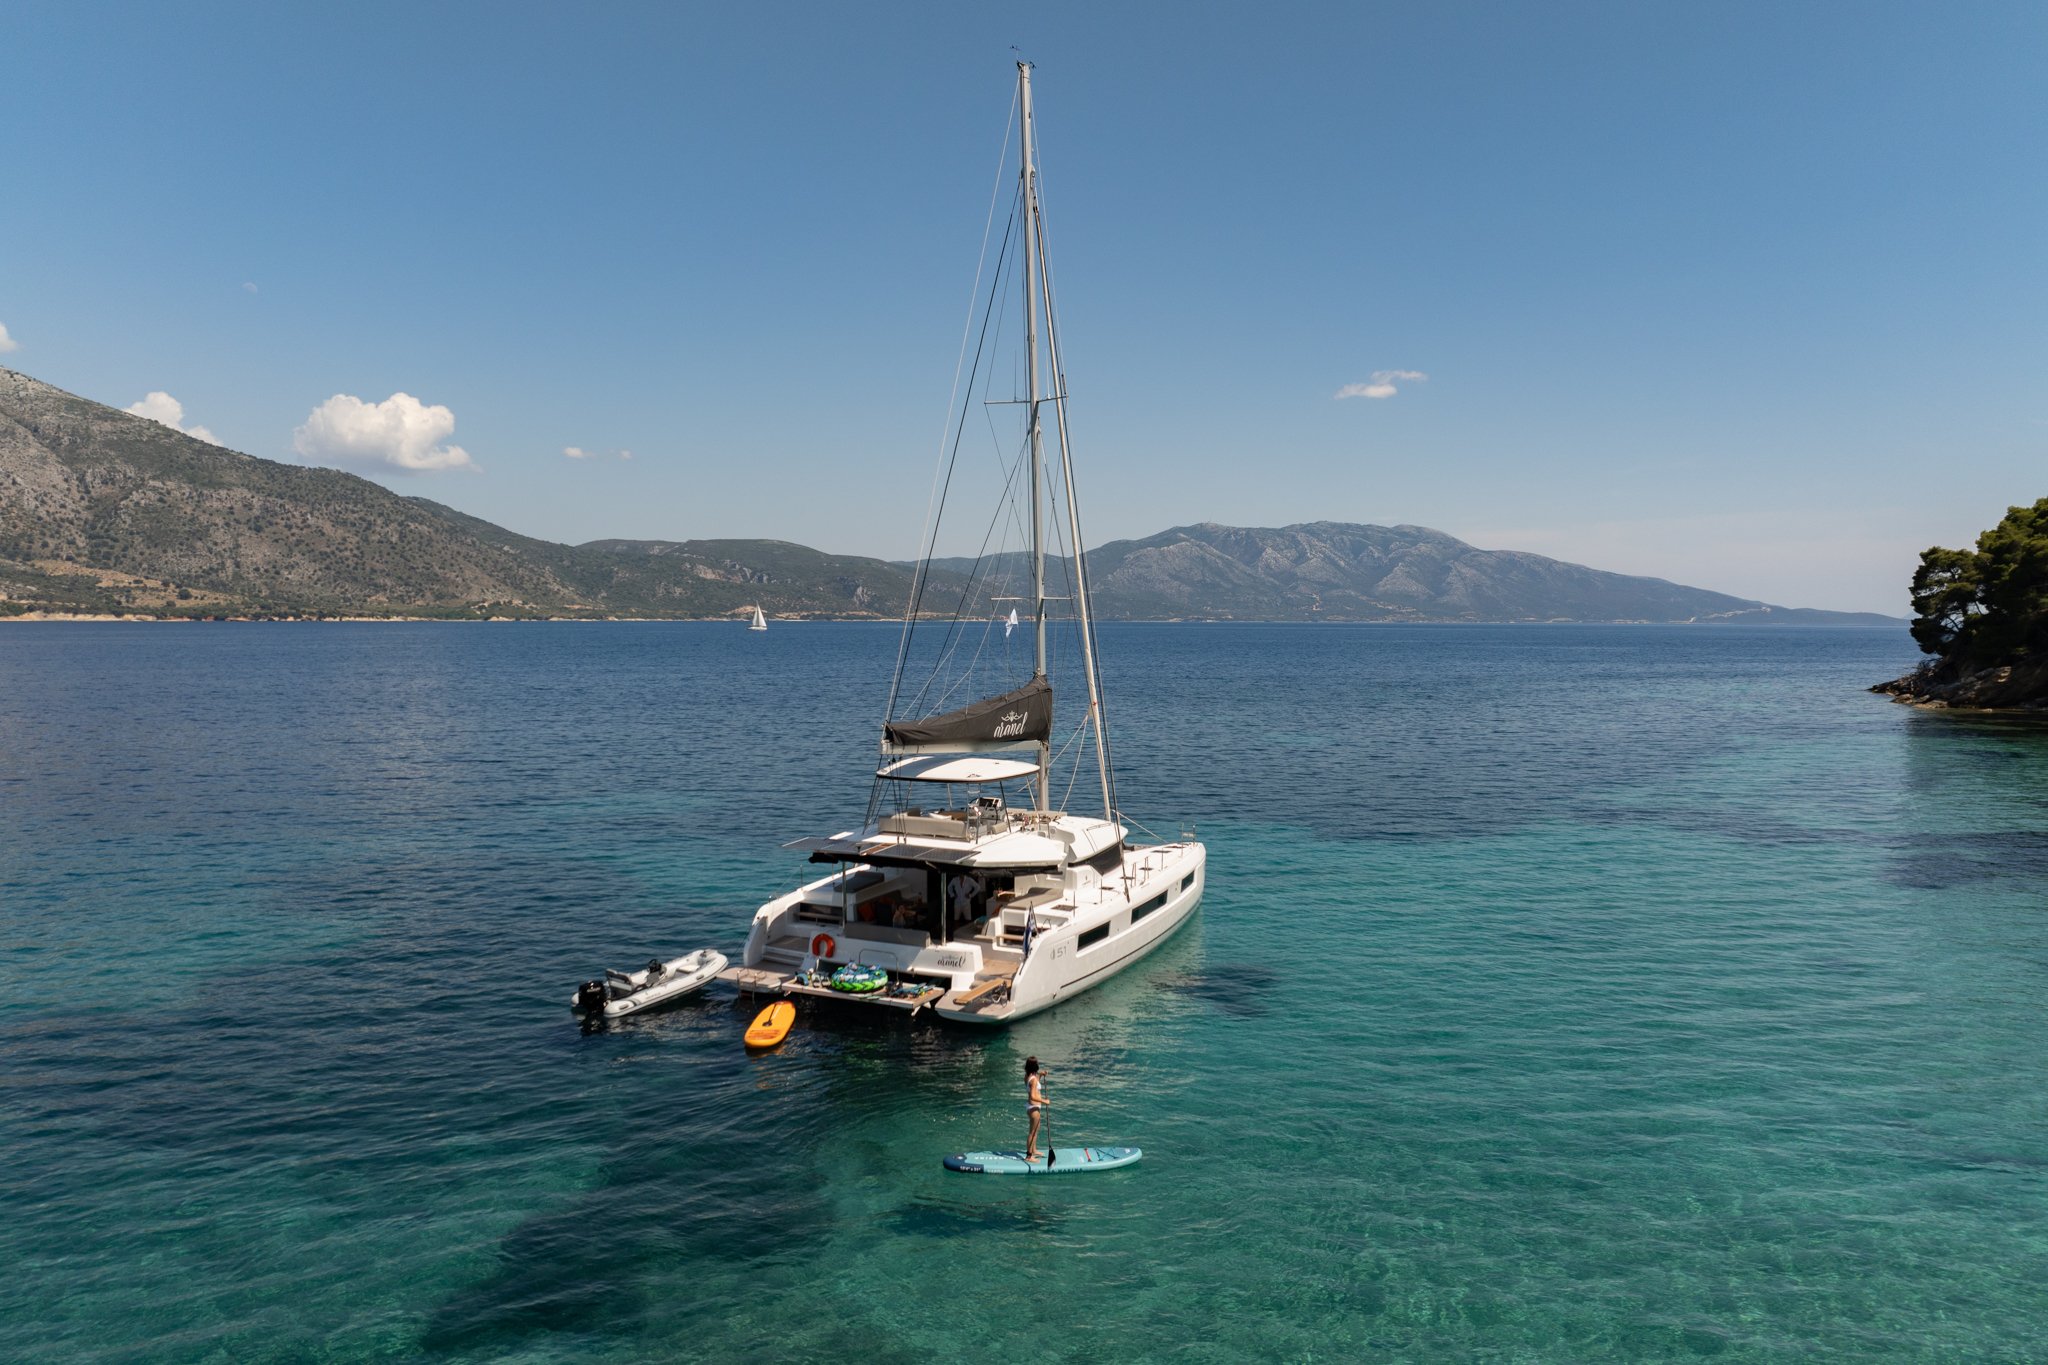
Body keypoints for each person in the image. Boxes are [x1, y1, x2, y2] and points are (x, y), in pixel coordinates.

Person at [1024, 1056, 1049, 1161]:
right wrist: (1045, 1101)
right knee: (1032, 1132)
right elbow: (1033, 1096)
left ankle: (1034, 1150)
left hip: (1031, 1107)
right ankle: (1029, 1156)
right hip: (1034, 1108)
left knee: (1036, 1130)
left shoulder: (1027, 1076)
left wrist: (1040, 1075)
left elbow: (1034, 1084)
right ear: (1036, 1066)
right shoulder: (1033, 1080)